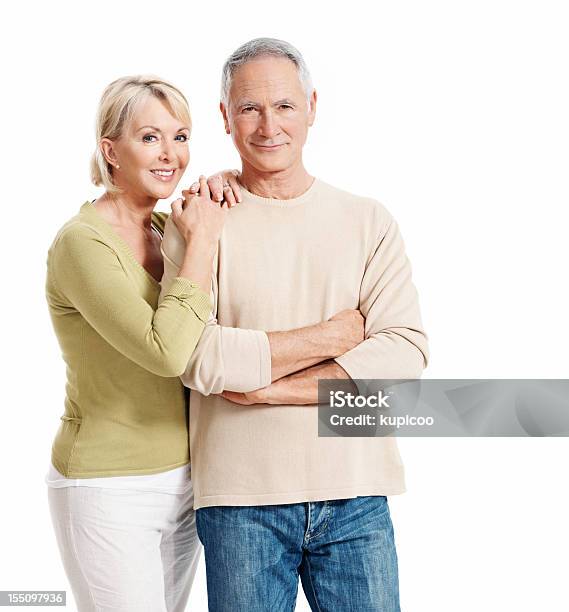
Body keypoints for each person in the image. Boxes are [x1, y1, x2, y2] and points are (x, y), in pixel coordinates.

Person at [45, 75, 365, 612]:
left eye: (182, 137)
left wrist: (206, 213)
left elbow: (217, 332)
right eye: (150, 138)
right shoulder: (81, 244)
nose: (171, 155)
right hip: (107, 484)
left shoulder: (169, 228)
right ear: (110, 150)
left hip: (188, 478)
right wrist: (207, 240)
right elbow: (169, 352)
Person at [161, 39, 429, 612]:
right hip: (240, 501)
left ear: (311, 106)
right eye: (249, 108)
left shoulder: (367, 220)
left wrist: (266, 389)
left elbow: (404, 353)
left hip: (356, 491)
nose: (267, 126)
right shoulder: (199, 220)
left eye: (283, 106)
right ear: (225, 118)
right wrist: (331, 337)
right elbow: (197, 359)